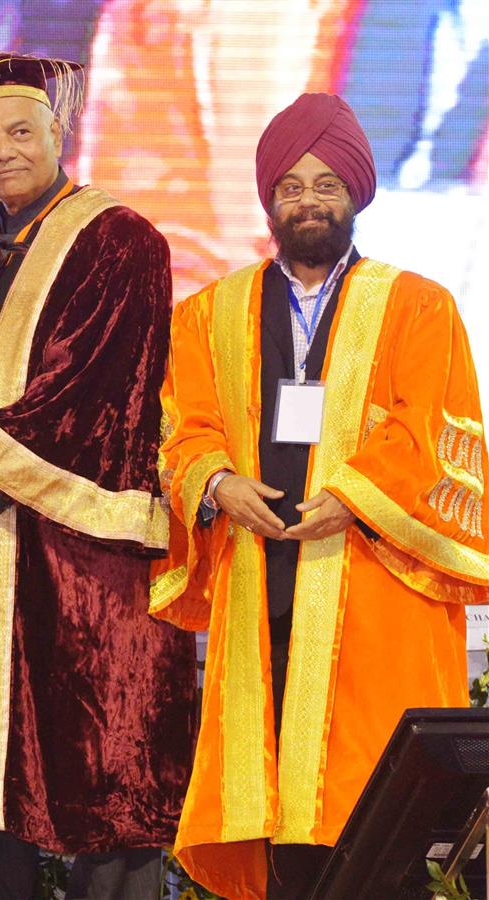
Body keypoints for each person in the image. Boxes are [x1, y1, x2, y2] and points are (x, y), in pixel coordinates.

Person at [153, 92, 489, 899]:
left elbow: (433, 433)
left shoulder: (419, 307)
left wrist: (356, 495)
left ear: (355, 194)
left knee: (379, 824)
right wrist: (219, 484)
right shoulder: (207, 315)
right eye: (292, 186)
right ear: (270, 200)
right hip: (258, 594)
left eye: (326, 184)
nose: (308, 200)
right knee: (278, 828)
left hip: (376, 596)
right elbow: (179, 428)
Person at [0, 52, 196, 899]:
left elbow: (87, 384)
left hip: (77, 551)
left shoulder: (119, 239)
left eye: (21, 132)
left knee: (100, 764)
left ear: (60, 133)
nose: (2, 152)